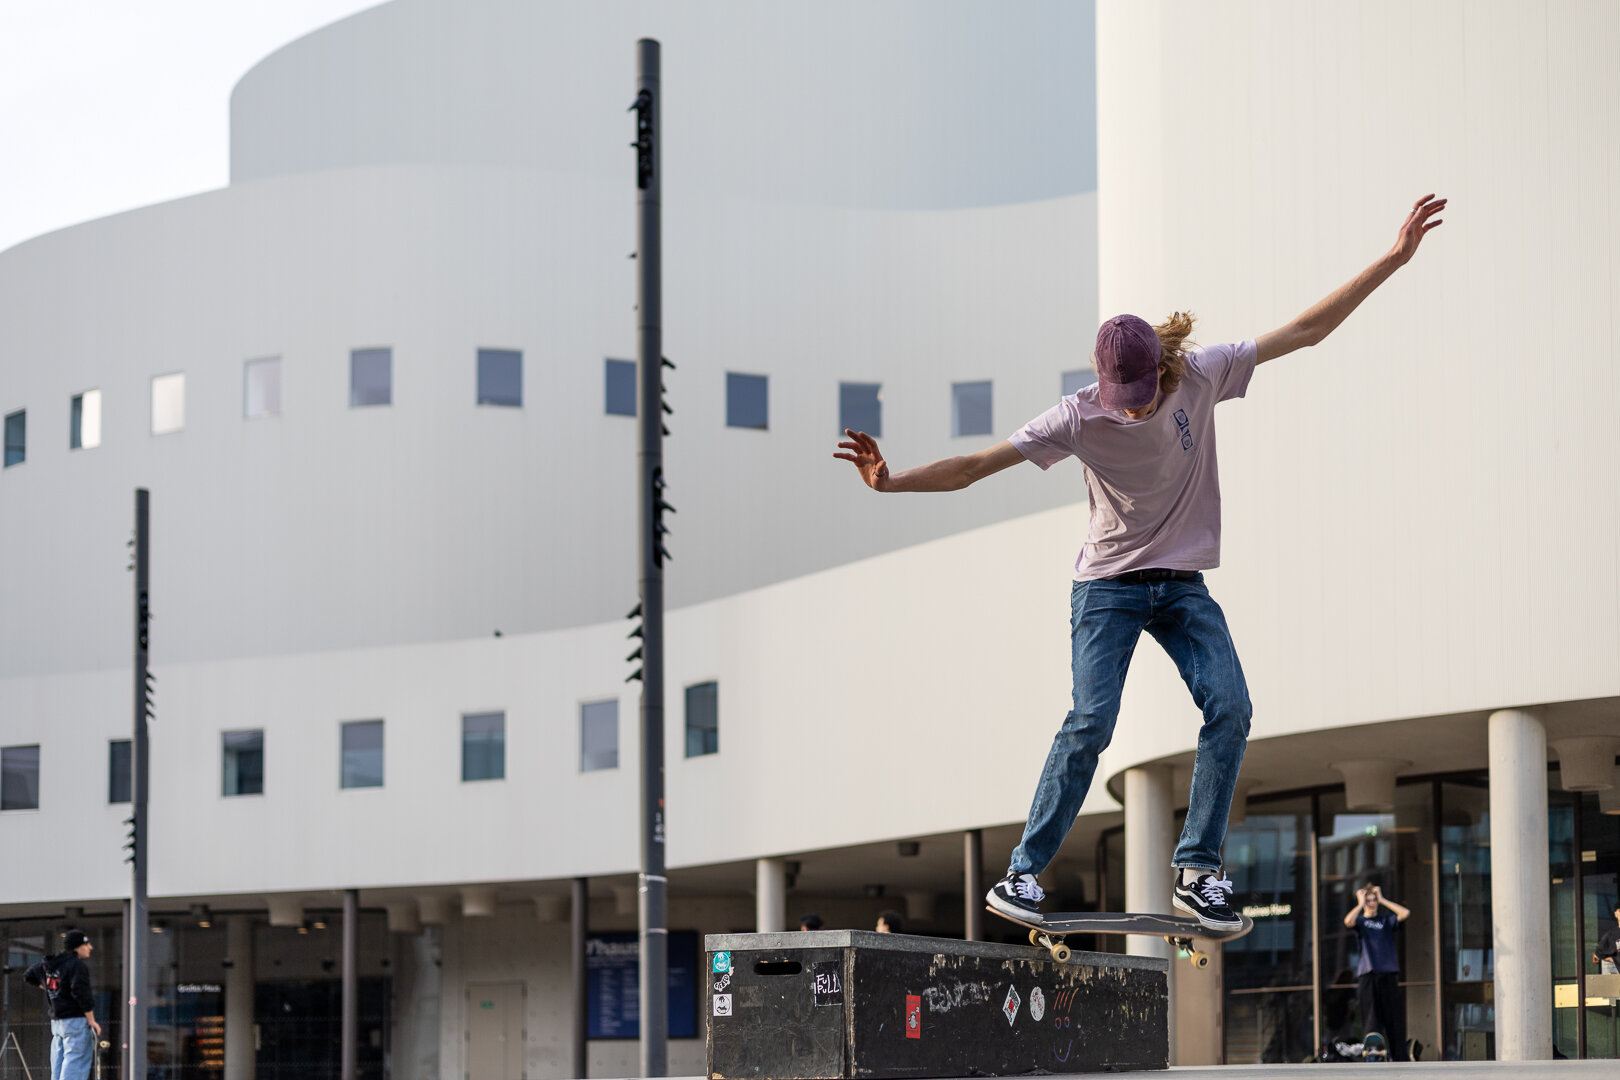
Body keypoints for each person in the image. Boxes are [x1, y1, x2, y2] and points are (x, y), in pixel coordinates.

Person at [835, 197, 1446, 930]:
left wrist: (1393, 258)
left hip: (1182, 584)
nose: (1132, 411)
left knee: (1232, 706)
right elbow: (974, 466)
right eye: (1121, 400)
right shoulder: (1076, 416)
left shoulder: (1203, 372)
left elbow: (1307, 332)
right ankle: (1024, 875)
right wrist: (891, 481)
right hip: (1108, 588)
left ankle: (1198, 868)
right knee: (1092, 720)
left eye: (1144, 394)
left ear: (1164, 366)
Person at [1343, 882, 1410, 1061]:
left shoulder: (1385, 920)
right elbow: (1348, 921)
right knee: (1371, 1017)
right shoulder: (1361, 922)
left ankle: (1400, 1058)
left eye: (1374, 900)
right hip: (1368, 974)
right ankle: (1373, 1056)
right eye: (1369, 900)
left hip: (1388, 973)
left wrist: (1383, 899)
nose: (1371, 903)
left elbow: (1404, 914)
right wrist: (1359, 903)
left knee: (1394, 1018)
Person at [24, 929, 100, 1080]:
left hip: (57, 1022)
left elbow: (29, 975)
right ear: (78, 947)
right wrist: (91, 1019)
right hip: (75, 1020)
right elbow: (80, 992)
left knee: (59, 1062)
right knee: (75, 1061)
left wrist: (49, 987)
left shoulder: (50, 964)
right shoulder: (76, 965)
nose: (90, 947)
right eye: (87, 944)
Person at [1594, 901, 1620, 975]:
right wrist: (1613, 960)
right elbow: (1598, 954)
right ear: (1615, 914)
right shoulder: (1611, 935)